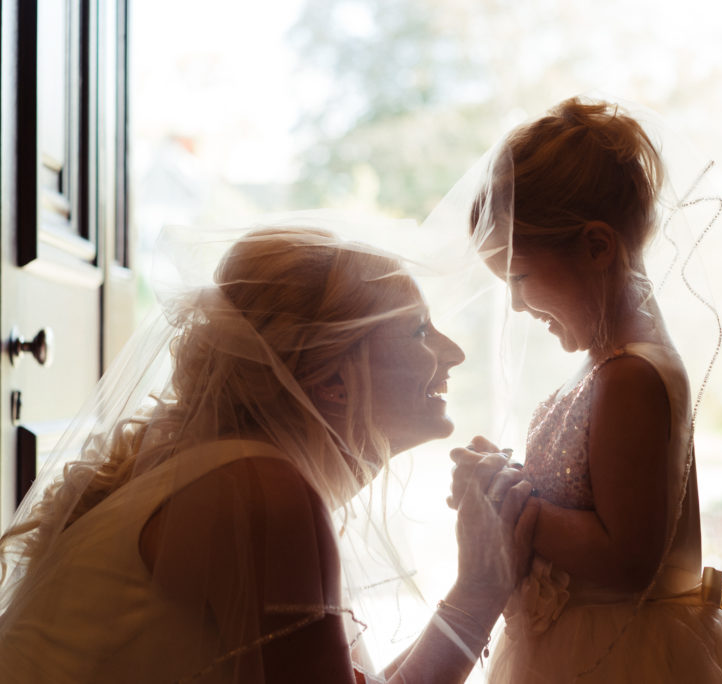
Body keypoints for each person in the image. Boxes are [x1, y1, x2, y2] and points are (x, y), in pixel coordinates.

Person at [0, 225, 538, 683]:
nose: (455, 352)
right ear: (331, 377)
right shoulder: (260, 491)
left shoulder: (227, 468)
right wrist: (480, 587)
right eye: (419, 329)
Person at [451, 97, 722, 682]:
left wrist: (506, 499)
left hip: (623, 658)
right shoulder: (606, 369)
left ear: (598, 247)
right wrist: (509, 478)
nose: (517, 304)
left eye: (520, 277)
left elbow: (627, 560)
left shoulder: (633, 377)